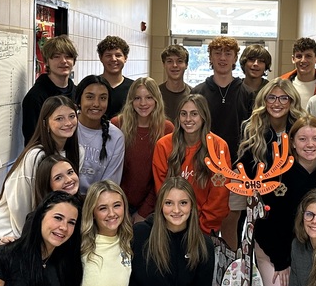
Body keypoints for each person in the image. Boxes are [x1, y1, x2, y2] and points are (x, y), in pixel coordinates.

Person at [232, 78, 306, 286]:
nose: (277, 103)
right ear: (264, 101)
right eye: (272, 98)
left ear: (292, 101)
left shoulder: (301, 130)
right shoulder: (251, 129)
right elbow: (243, 174)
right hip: (264, 222)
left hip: (298, 222)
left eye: (283, 97)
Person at [0, 96, 80, 248]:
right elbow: (20, 203)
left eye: (72, 116)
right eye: (59, 118)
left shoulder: (77, 152)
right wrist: (28, 242)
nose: (67, 123)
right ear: (46, 123)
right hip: (6, 229)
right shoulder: (35, 155)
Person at [152, 94, 230, 235]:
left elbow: (219, 196)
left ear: (204, 116)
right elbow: (161, 190)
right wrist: (174, 223)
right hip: (171, 223)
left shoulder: (219, 147)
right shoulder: (164, 145)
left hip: (205, 227)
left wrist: (203, 227)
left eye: (194, 114)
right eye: (183, 114)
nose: (188, 119)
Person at [111, 77, 173, 223]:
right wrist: (119, 206)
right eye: (137, 98)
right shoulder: (117, 125)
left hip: (153, 207)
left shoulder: (167, 129)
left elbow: (165, 176)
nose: (143, 103)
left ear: (157, 100)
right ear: (130, 101)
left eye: (149, 98)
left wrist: (144, 212)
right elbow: (111, 171)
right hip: (118, 203)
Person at [192, 36, 254, 160]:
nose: (222, 58)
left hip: (238, 163)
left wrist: (243, 164)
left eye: (228, 53)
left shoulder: (248, 94)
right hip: (204, 161)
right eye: (217, 53)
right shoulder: (197, 93)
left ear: (235, 58)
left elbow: (252, 134)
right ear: (210, 57)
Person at [21, 35, 78, 143]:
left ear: (74, 61)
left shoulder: (78, 92)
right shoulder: (35, 97)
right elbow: (32, 139)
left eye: (68, 56)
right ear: (46, 62)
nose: (63, 61)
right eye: (56, 56)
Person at [73, 76, 125, 192]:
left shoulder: (116, 137)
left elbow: (109, 186)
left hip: (98, 203)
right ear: (79, 100)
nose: (96, 104)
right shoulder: (67, 126)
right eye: (90, 97)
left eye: (103, 98)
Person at [280, 37, 316, 108]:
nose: (303, 60)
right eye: (299, 56)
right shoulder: (282, 83)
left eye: (308, 56)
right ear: (293, 59)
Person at [98, 35, 133, 118]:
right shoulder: (92, 85)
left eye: (118, 55)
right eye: (108, 55)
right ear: (100, 58)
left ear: (125, 58)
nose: (113, 59)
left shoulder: (133, 88)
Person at [159, 44, 192, 122]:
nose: (174, 65)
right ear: (164, 64)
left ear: (186, 65)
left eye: (179, 61)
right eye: (169, 61)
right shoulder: (155, 94)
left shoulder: (193, 94)